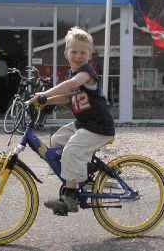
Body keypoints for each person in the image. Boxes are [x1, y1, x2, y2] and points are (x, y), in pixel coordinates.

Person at [28, 27, 115, 213]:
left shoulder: (86, 73)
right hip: (84, 124)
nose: (78, 56)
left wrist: (43, 93)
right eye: (74, 52)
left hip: (98, 127)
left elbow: (73, 85)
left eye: (83, 52)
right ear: (66, 53)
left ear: (90, 56)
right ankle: (82, 175)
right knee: (57, 140)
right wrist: (43, 102)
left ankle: (71, 194)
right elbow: (66, 97)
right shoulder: (71, 73)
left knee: (71, 150)